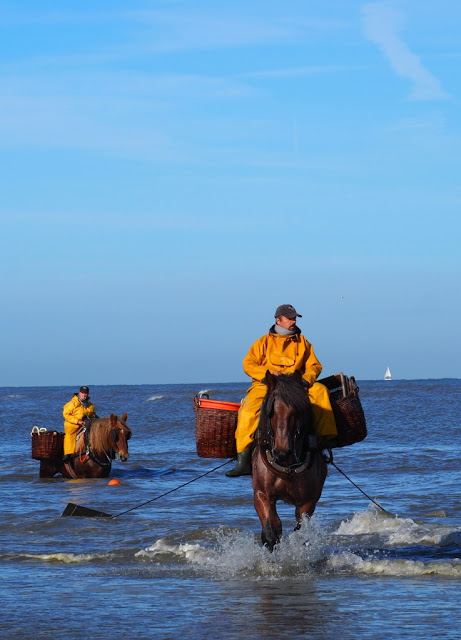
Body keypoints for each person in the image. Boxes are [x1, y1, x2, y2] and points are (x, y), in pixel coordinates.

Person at [226, 304, 337, 477]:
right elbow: (248, 364)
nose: (293, 321)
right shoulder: (263, 342)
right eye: (290, 318)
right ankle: (243, 459)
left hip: (296, 385)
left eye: (294, 318)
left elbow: (314, 365)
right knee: (248, 408)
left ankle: (321, 441)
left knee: (321, 392)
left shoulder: (303, 342)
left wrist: (306, 380)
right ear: (278, 320)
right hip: (267, 385)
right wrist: (267, 374)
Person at [62, 386, 97, 457]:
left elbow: (93, 415)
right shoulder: (72, 403)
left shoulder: (90, 405)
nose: (84, 395)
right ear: (79, 393)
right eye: (82, 393)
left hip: (86, 424)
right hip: (73, 424)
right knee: (70, 434)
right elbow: (66, 414)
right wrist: (77, 421)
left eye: (86, 393)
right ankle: (68, 454)